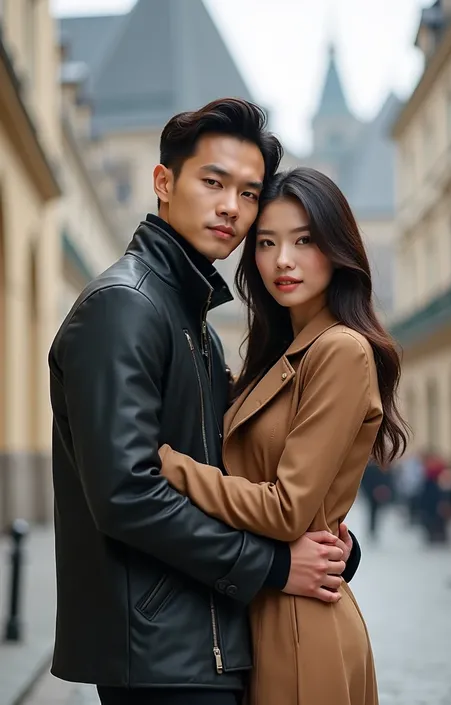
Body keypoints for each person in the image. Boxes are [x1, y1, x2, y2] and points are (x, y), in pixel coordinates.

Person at [48, 100, 361, 705]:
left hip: (209, 640)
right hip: (159, 652)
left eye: (248, 193)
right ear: (164, 182)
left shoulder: (195, 322)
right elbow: (126, 494)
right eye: (213, 182)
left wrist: (323, 546)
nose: (231, 208)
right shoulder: (124, 306)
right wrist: (273, 566)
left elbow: (227, 475)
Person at [158, 167, 409, 705]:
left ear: (337, 247)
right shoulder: (281, 354)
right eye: (267, 243)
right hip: (261, 607)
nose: (282, 261)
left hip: (301, 624)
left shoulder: (341, 351)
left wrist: (171, 467)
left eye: (303, 241)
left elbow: (287, 509)